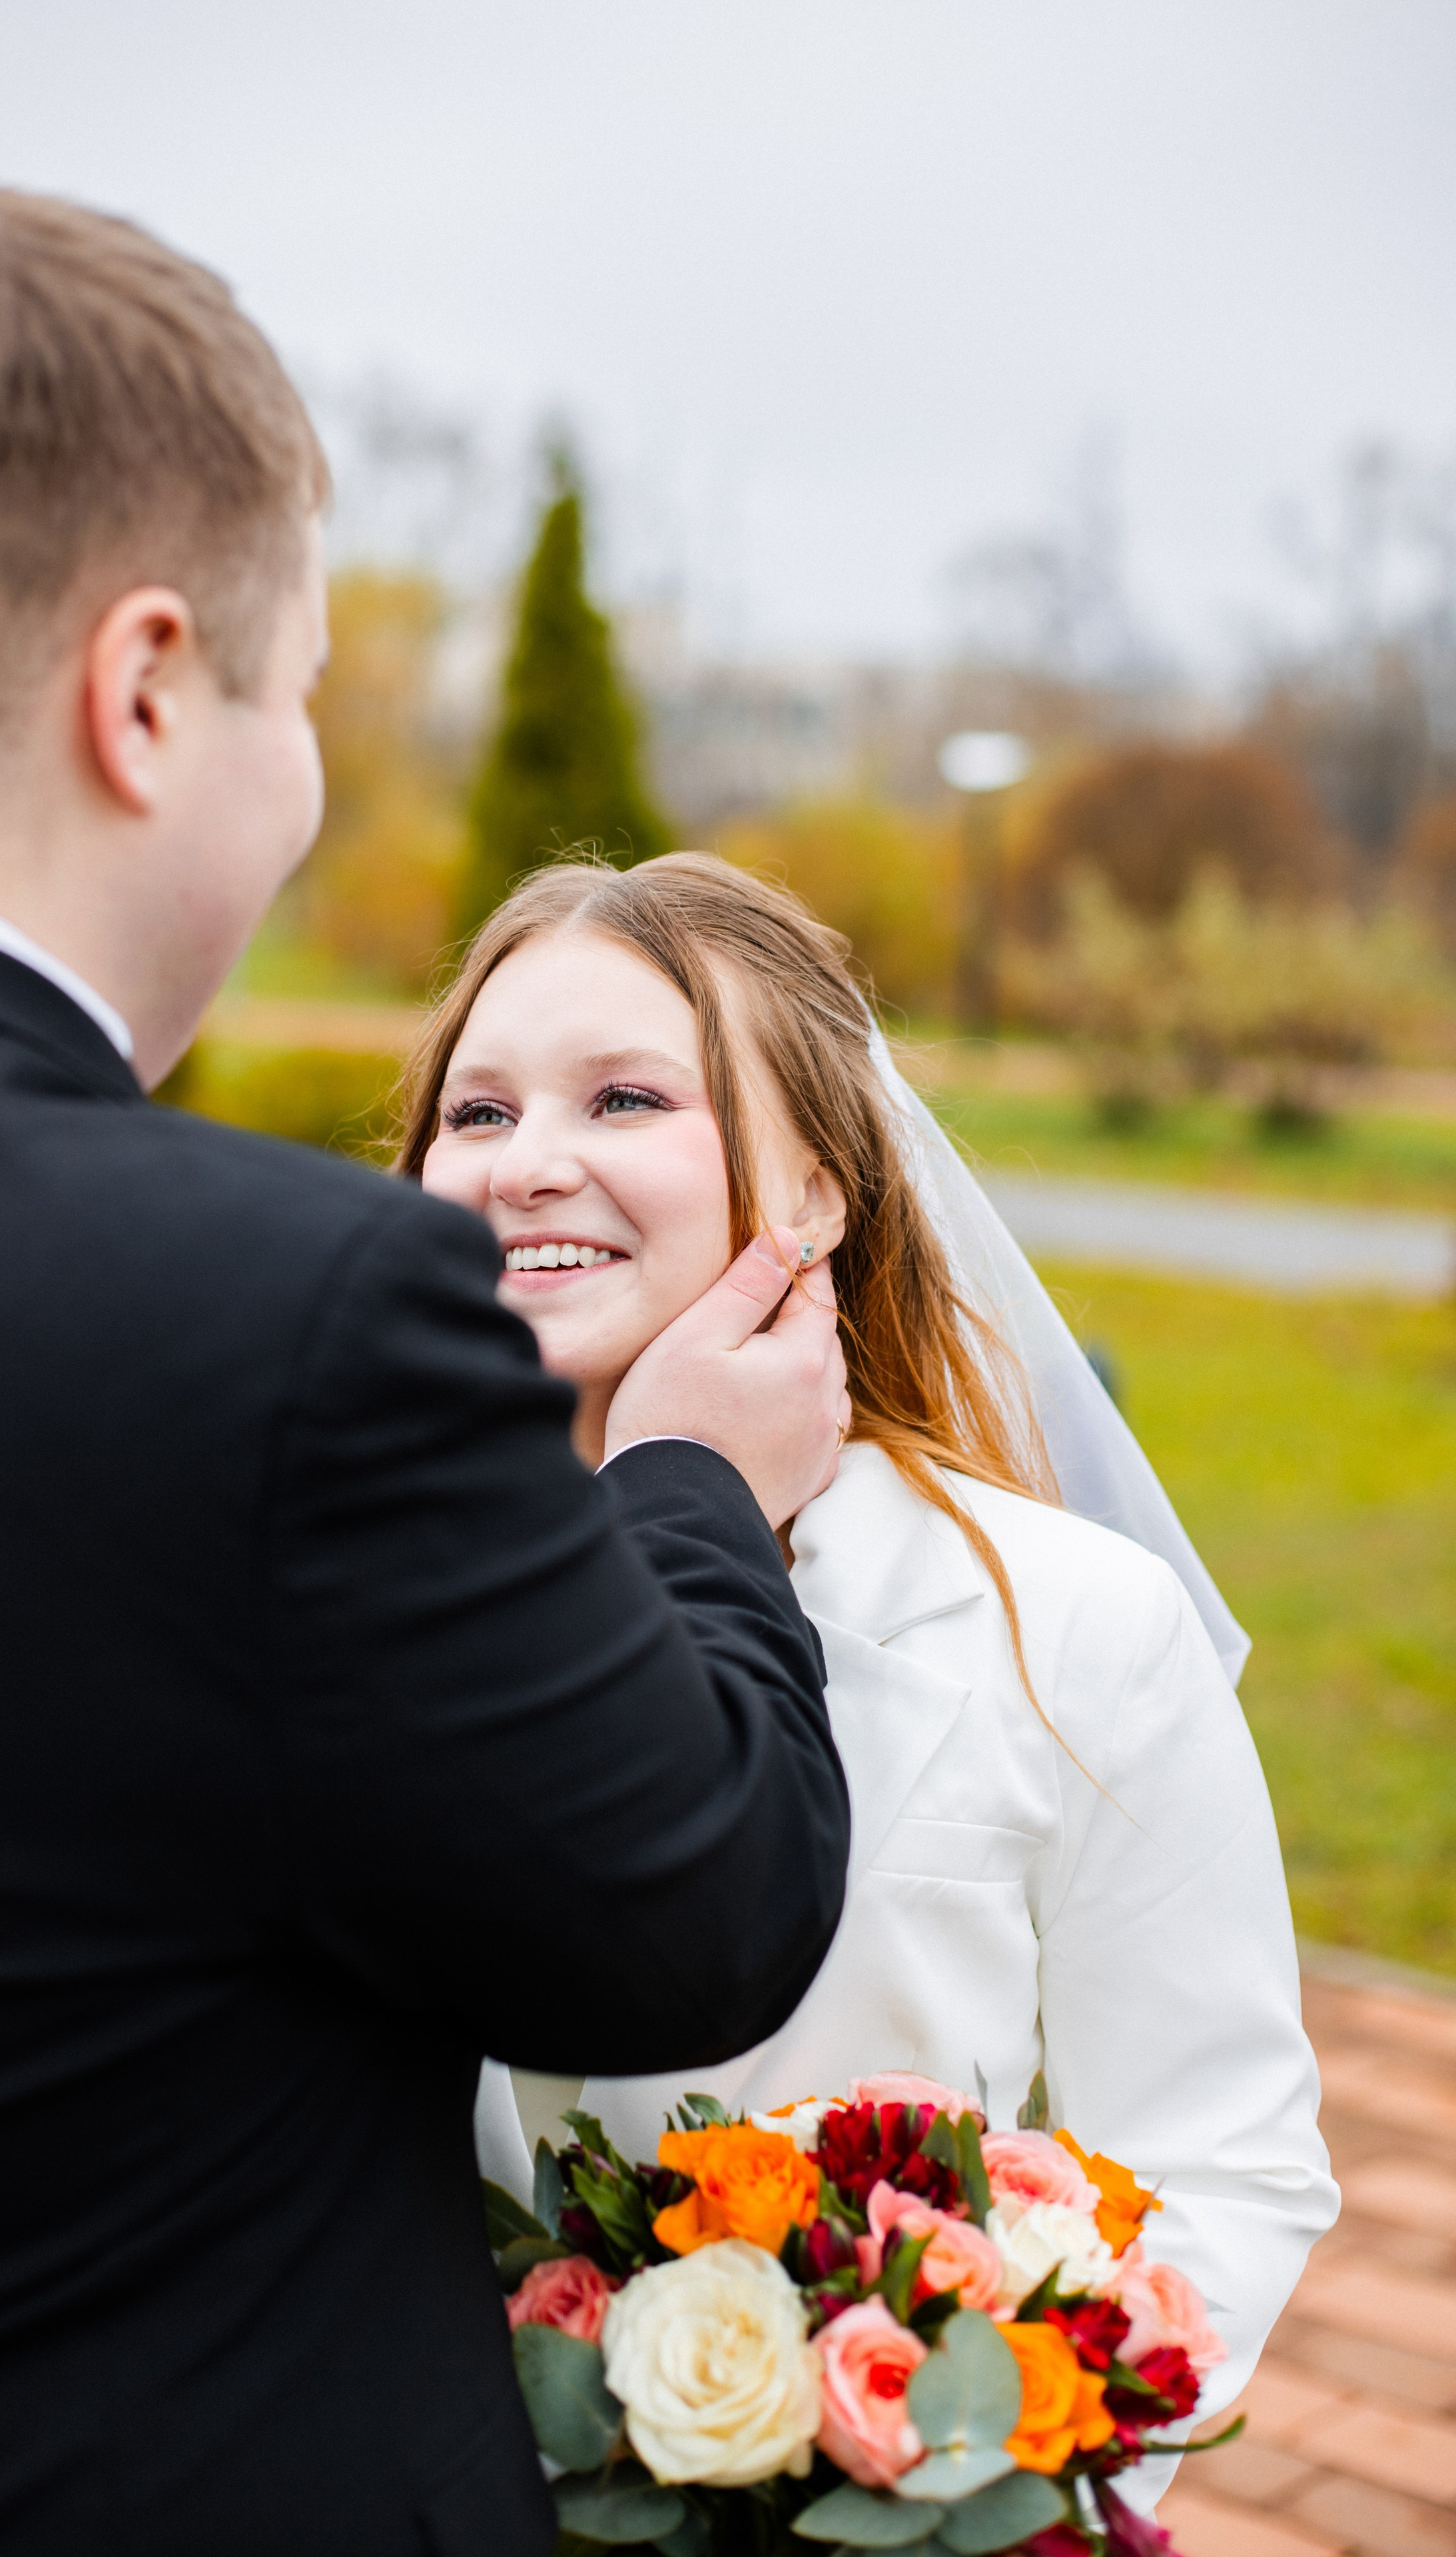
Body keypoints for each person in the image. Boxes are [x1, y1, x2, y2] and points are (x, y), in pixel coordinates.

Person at [0, 193, 856, 2556]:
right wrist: (683, 1496)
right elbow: (686, 1906)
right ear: (143, 688)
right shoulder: (288, 1314)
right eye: (300, 694)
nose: (301, 781)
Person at [411, 851, 1339, 2460]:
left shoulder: (1076, 1626)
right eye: (475, 1114)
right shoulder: (348, 1598)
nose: (527, 1164)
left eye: (625, 1098)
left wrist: (961, 2452)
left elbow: (1223, 2164)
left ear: (821, 1189)